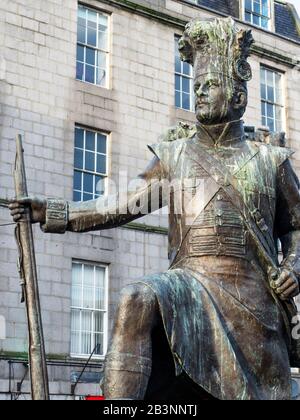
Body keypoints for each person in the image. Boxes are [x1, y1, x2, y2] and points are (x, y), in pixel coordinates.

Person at [10, 17, 300, 400]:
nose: (198, 94)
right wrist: (54, 213)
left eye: (209, 86)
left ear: (238, 97)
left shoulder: (272, 160)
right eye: (195, 86)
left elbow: (295, 230)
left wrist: (293, 266)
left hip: (252, 296)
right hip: (188, 285)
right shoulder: (174, 155)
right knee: (137, 296)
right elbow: (119, 205)